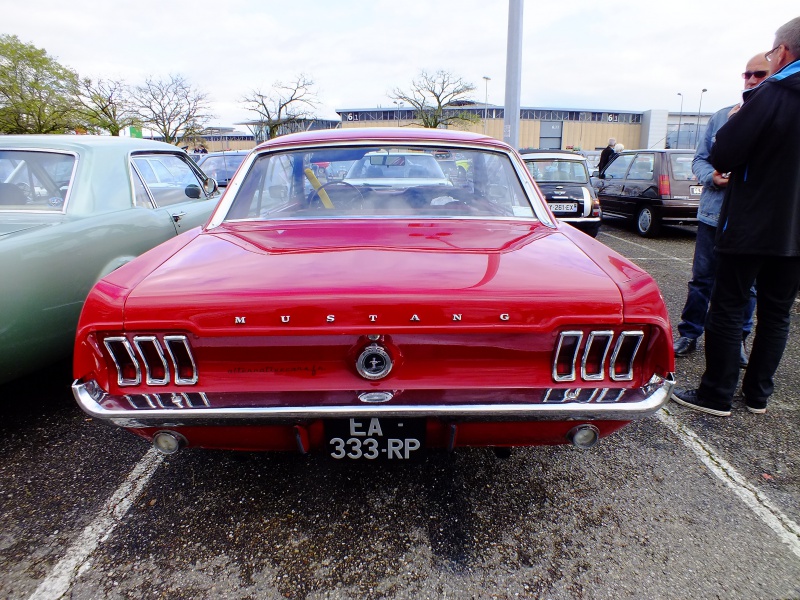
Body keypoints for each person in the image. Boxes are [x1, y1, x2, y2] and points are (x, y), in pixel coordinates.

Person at [672, 17, 800, 417]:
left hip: (751, 224)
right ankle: (758, 395)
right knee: (777, 313)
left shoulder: (773, 93)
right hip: (795, 235)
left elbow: (725, 152)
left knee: (727, 305)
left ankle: (716, 395)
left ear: (782, 52)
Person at [672, 53, 770, 364]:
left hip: (751, 219)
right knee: (702, 278)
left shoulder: (777, 117)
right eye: (747, 74)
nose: (752, 80)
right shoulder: (722, 116)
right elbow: (700, 159)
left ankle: (738, 340)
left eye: (760, 74)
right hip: (713, 215)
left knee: (748, 287)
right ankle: (690, 333)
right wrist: (711, 177)